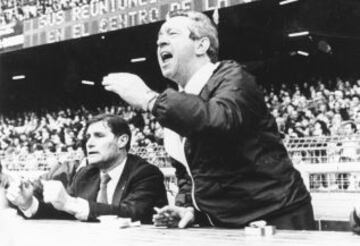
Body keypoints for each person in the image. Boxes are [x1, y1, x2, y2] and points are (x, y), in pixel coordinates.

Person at [101, 10, 315, 230]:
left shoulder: (233, 76)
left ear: (202, 45)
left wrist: (150, 99)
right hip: (226, 225)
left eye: (172, 33)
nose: (160, 41)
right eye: (158, 40)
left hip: (275, 217)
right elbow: (188, 175)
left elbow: (219, 121)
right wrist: (187, 208)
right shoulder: (176, 102)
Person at [6, 114, 168, 223]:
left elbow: (133, 213)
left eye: (99, 136)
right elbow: (64, 210)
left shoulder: (146, 174)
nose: (89, 143)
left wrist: (70, 203)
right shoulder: (86, 173)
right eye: (88, 137)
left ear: (122, 141)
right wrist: (29, 204)